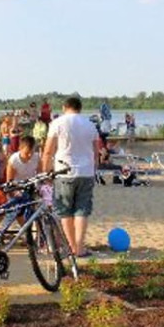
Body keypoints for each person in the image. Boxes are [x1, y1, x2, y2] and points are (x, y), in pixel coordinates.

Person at [41, 96, 99, 258]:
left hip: (64, 171)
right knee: (82, 210)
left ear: (65, 107)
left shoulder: (57, 123)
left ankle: (71, 245)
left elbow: (48, 151)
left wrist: (46, 172)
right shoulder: (90, 125)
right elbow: (96, 151)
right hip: (86, 171)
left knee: (65, 210)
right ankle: (80, 248)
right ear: (80, 108)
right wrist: (94, 169)